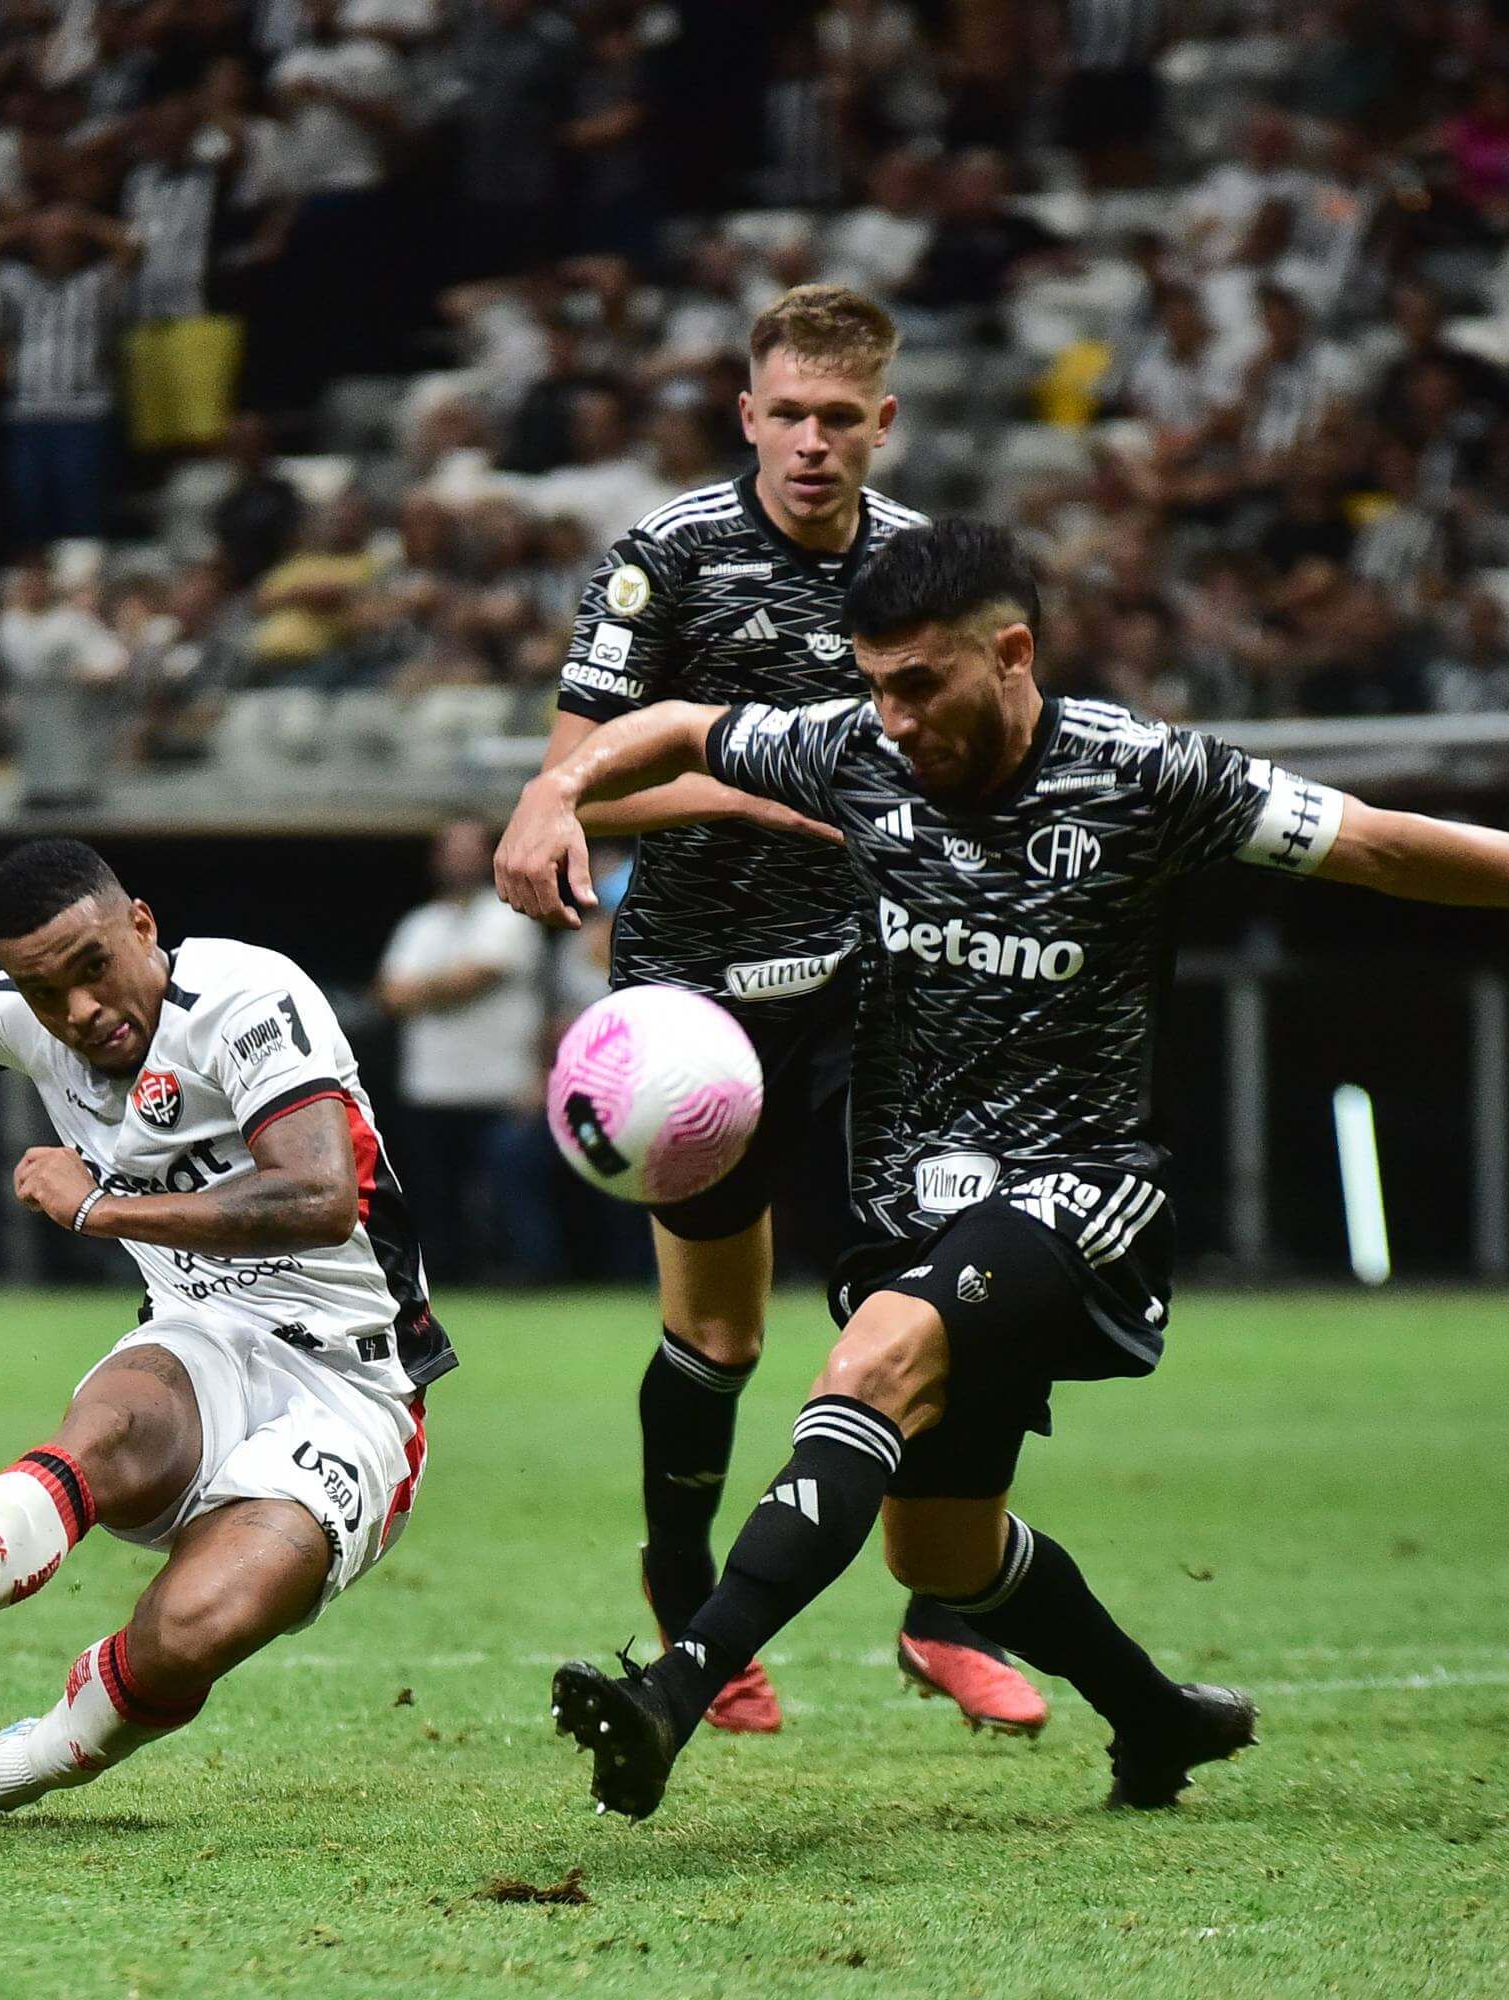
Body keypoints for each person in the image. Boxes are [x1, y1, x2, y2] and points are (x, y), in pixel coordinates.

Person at [496, 519, 1509, 1818]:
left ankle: (678, 1688)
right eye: (875, 683)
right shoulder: (854, 750)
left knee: (869, 1368)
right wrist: (559, 789)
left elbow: (1380, 843)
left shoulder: (1144, 775)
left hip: (1081, 1191)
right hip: (920, 1207)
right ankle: (1157, 1716)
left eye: (920, 683)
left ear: (1011, 652)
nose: (891, 715)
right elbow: (678, 727)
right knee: (944, 1548)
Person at [536, 281, 1040, 1738]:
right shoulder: (667, 559)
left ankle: (943, 1614)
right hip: (694, 1008)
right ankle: (691, 1596)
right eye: (788, 416)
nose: (813, 443)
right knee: (721, 1337)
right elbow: (586, 771)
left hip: (878, 984)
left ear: (882, 424)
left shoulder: (926, 569)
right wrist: (785, 796)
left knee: (950, 1290)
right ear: (746, 414)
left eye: (841, 419)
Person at [0, 756, 446, 1820]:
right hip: (201, 1334)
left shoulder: (247, 998)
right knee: (117, 1419)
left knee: (188, 1633)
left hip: (349, 1391)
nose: (77, 1010)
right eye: (44, 990)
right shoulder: (39, 1017)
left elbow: (321, 1195)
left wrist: (103, 1207)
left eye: (92, 968)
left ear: (141, 922)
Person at [374, 819, 552, 1283]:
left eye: (469, 849)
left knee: (503, 1197)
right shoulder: (420, 923)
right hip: (431, 1088)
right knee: (437, 1201)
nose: (458, 859)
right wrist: (444, 985)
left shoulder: (510, 916)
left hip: (501, 1088)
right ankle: (445, 1283)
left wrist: (424, 989)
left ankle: (527, 1284)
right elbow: (389, 995)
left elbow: (475, 980)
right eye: (449, 849)